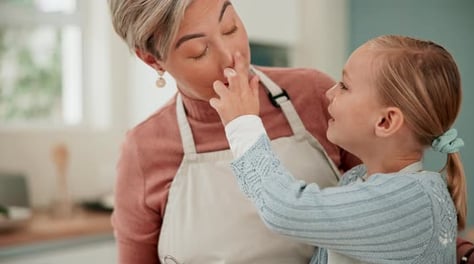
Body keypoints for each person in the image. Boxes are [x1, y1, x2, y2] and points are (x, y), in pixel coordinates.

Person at [107, 0, 360, 263]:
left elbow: (392, 197)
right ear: (151, 59)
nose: (231, 57)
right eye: (199, 50)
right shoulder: (143, 149)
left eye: (230, 28)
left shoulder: (315, 94)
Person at [210, 35, 468, 263]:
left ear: (385, 121)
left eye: (345, 86)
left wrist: (242, 124)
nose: (330, 93)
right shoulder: (354, 180)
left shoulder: (414, 201)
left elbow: (286, 209)